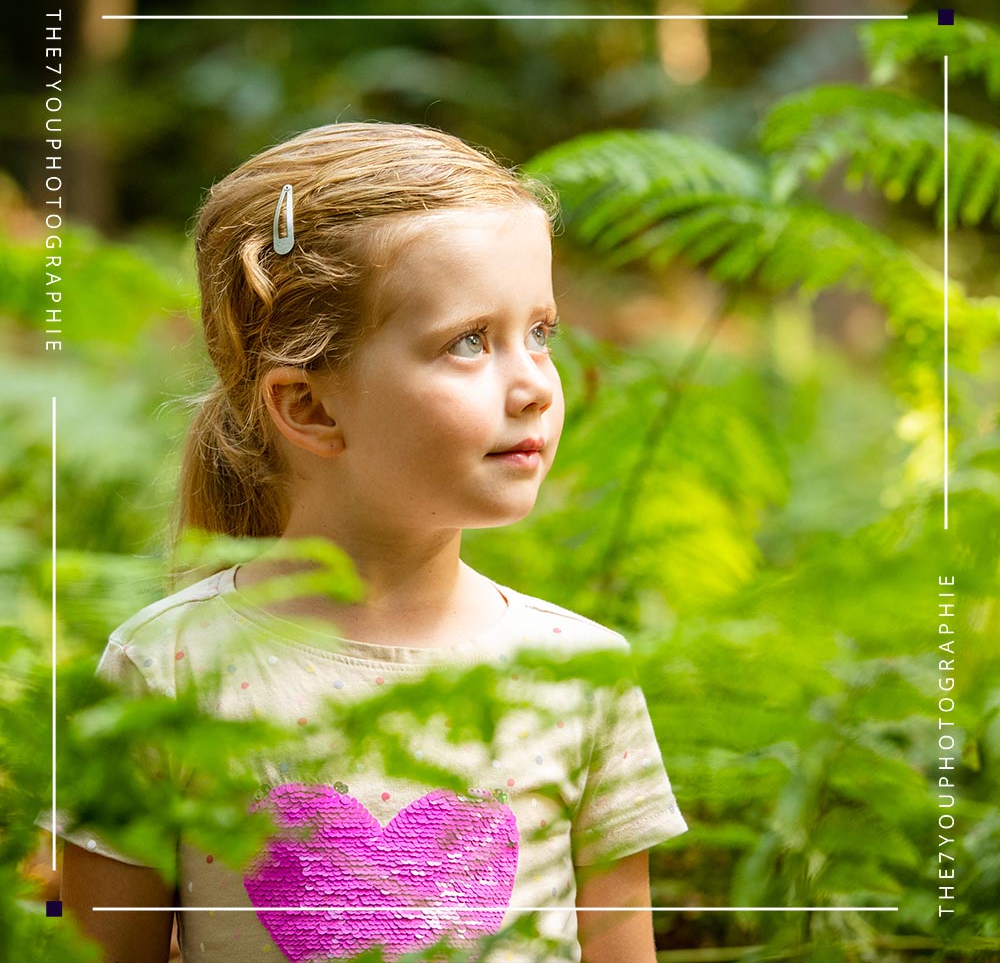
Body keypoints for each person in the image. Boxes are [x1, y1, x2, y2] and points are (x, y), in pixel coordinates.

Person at [56, 122, 687, 963]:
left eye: (540, 331)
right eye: (470, 341)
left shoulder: (582, 673)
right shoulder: (167, 670)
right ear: (309, 406)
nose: (534, 383)